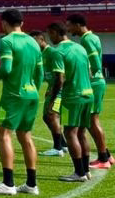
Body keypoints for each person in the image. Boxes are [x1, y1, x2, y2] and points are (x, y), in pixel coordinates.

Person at [0, 8, 41, 196]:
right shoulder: (33, 42)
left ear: (3, 23)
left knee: (2, 135)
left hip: (13, 96)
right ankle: (31, 184)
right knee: (26, 136)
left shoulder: (7, 41)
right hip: (32, 95)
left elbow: (6, 69)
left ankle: (8, 183)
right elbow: (39, 73)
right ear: (22, 23)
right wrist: (33, 89)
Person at [45, 23, 95, 182]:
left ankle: (79, 173)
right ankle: (86, 171)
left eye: (50, 34)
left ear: (55, 33)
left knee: (70, 133)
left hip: (71, 98)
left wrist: (52, 100)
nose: (49, 38)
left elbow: (59, 79)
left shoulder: (58, 51)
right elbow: (90, 73)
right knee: (82, 133)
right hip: (88, 94)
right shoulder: (80, 48)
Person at [66, 14, 111, 169]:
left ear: (78, 24)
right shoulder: (93, 37)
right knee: (92, 120)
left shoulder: (86, 39)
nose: (68, 29)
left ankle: (103, 158)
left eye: (70, 25)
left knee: (92, 121)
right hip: (97, 83)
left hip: (94, 84)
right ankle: (107, 155)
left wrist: (87, 74)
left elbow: (96, 64)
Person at [32, 31, 67, 156]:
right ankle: (64, 145)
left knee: (51, 116)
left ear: (41, 39)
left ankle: (58, 148)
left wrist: (55, 89)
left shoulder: (52, 52)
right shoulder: (41, 54)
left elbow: (61, 75)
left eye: (34, 41)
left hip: (59, 90)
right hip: (52, 88)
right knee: (47, 117)